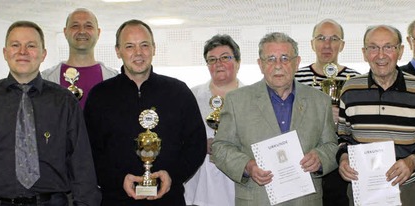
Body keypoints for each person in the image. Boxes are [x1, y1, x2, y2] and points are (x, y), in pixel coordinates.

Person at [0, 20, 100, 206]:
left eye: (31, 45)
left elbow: (81, 165)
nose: (22, 51)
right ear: (5, 53)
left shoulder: (65, 102)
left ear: (43, 54)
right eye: (15, 45)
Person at [83, 19, 206, 205]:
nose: (138, 53)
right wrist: (117, 180)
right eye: (130, 46)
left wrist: (172, 176)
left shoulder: (178, 92)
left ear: (154, 48)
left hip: (168, 199)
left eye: (144, 45)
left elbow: (196, 144)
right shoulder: (100, 95)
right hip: (116, 199)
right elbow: (88, 151)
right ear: (118, 51)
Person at [211, 32, 339, 206]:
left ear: (297, 63)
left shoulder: (320, 101)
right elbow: (220, 147)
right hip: (256, 199)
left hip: (306, 200)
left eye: (285, 58)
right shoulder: (237, 100)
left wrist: (320, 158)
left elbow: (332, 146)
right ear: (260, 64)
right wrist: (247, 166)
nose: (278, 65)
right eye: (270, 59)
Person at [336, 25, 415, 206]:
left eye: (388, 47)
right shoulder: (350, 89)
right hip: (363, 189)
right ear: (364, 53)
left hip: (408, 190)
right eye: (373, 47)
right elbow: (343, 136)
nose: (380, 55)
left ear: (400, 51)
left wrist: (413, 161)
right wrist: (343, 158)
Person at [293, 18, 360, 206]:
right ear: (312, 44)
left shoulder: (356, 80)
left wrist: (343, 120)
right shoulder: (295, 79)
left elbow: (361, 123)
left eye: (334, 39)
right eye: (321, 38)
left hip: (342, 163)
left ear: (342, 45)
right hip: (306, 161)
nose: (327, 44)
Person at [183, 34, 244, 206]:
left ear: (238, 63)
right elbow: (179, 138)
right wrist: (200, 144)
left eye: (225, 57)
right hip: (199, 190)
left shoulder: (253, 98)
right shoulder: (190, 96)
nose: (219, 64)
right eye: (212, 59)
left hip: (239, 189)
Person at [41, 8, 118, 108]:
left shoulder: (114, 78)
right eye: (75, 26)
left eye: (88, 26)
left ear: (98, 32)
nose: (82, 31)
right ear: (65, 32)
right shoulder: (46, 78)